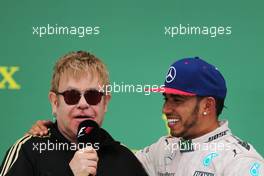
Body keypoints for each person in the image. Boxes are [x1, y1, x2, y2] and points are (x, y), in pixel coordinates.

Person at [19, 56, 264, 175]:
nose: (166, 109)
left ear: (207, 106)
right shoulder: (162, 150)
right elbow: (114, 156)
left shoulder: (242, 164)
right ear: (55, 100)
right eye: (166, 98)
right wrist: (49, 131)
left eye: (177, 100)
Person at [0, 51, 148, 176]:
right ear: (55, 102)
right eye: (72, 95)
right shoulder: (29, 151)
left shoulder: (123, 158)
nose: (83, 104)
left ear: (105, 102)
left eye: (92, 95)